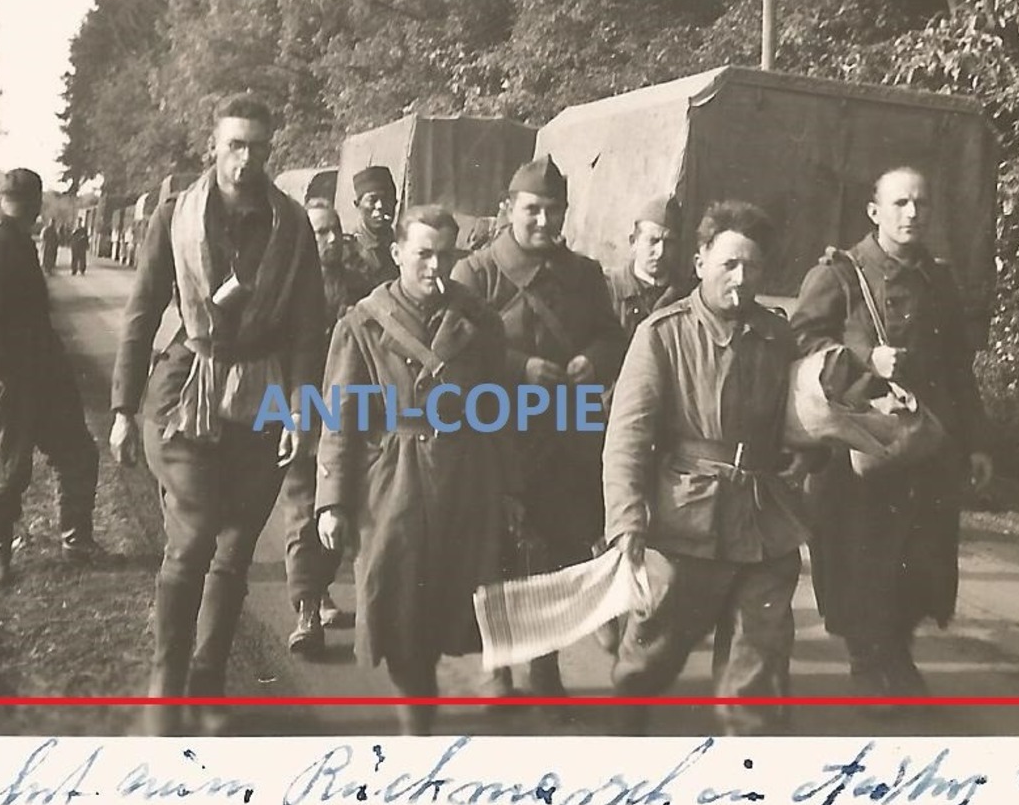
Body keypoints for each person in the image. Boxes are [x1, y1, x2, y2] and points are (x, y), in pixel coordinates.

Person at [109, 93, 327, 735]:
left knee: (233, 551)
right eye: (235, 145)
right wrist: (124, 408)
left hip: (261, 401)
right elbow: (142, 313)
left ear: (269, 152)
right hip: (185, 397)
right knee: (196, 533)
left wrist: (300, 410)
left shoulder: (292, 226)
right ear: (214, 146)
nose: (246, 159)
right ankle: (165, 681)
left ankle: (206, 679)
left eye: (258, 147)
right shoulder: (177, 215)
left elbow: (309, 330)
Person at [604, 199, 821, 735]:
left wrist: (807, 451)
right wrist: (627, 523)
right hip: (686, 523)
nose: (741, 279)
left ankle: (745, 770)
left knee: (760, 656)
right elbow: (628, 436)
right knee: (652, 653)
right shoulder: (662, 335)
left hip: (763, 519)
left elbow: (803, 416)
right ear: (700, 262)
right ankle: (627, 717)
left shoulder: (777, 336)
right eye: (729, 264)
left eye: (752, 266)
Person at [789, 166, 993, 700]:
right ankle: (869, 663)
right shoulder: (838, 274)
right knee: (862, 561)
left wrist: (975, 443)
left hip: (925, 447)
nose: (913, 214)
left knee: (920, 562)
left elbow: (957, 369)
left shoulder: (938, 280)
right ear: (874, 211)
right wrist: (863, 359)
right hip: (858, 449)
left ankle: (896, 653)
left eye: (921, 204)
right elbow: (801, 344)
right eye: (900, 203)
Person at [314, 205, 516, 735]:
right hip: (392, 482)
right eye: (423, 253)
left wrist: (505, 486)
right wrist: (332, 500)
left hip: (463, 479)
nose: (435, 266)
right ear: (397, 252)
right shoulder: (361, 323)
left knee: (452, 601)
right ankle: (416, 726)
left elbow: (499, 408)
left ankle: (432, 708)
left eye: (445, 254)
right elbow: (340, 417)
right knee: (399, 603)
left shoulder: (479, 321)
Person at [451, 154, 625, 698]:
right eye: (533, 210)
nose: (545, 222)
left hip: (564, 437)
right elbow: (452, 352)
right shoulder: (475, 272)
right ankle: (498, 668)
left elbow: (611, 337)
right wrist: (518, 367)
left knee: (554, 553)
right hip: (495, 431)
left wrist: (591, 361)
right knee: (494, 552)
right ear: (509, 210)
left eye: (555, 210)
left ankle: (544, 668)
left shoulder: (586, 275)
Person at [0, 168, 101, 588]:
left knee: (76, 453)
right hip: (16, 379)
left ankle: (76, 542)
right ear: (33, 205)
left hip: (45, 375)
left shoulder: (14, 239)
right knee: (9, 469)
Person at [280, 198, 363, 656]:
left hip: (349, 409)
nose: (329, 242)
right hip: (300, 404)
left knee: (338, 507)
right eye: (319, 233)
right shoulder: (286, 286)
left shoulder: (358, 286)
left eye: (334, 232)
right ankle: (306, 611)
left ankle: (320, 589)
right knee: (302, 510)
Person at [605, 194, 686, 340]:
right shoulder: (607, 288)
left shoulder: (686, 294)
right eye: (653, 241)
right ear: (633, 242)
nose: (660, 252)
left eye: (669, 243)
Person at [345, 164, 400, 292]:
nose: (380, 206)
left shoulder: (404, 243)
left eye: (387, 199)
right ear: (358, 205)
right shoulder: (349, 251)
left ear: (396, 203)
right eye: (372, 200)